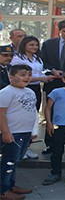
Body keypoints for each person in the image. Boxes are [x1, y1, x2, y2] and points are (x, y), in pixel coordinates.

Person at [10, 36, 53, 160]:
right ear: (24, 45)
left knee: (32, 117)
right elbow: (20, 77)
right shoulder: (17, 59)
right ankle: (17, 148)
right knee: (20, 118)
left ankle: (27, 147)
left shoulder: (37, 58)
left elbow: (40, 73)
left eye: (36, 45)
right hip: (20, 89)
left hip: (34, 89)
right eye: (31, 45)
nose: (34, 47)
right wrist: (40, 78)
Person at [0, 64, 38, 200]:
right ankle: (3, 191)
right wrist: (5, 132)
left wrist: (33, 130)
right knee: (9, 161)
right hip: (13, 133)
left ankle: (11, 185)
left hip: (25, 132)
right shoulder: (6, 93)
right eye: (22, 74)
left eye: (29, 74)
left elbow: (33, 111)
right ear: (11, 77)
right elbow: (1, 114)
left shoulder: (30, 92)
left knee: (16, 160)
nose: (27, 77)